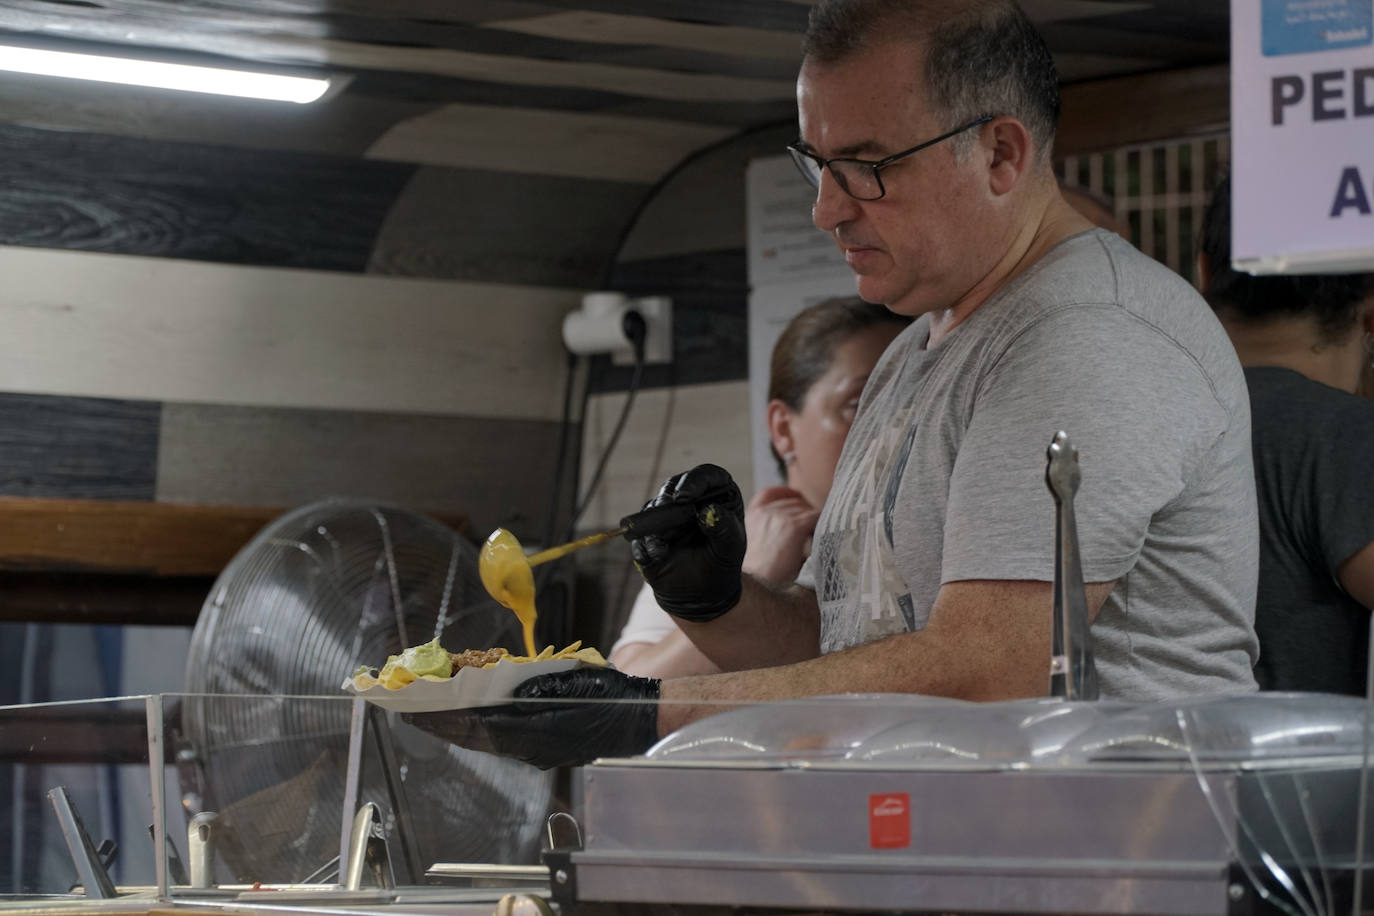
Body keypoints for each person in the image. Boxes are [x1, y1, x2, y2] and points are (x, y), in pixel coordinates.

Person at [408, 0, 1260, 769]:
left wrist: (652, 711)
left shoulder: (1085, 337)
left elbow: (992, 673)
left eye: (866, 165)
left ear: (1000, 154)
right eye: (817, 164)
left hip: (1108, 866)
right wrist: (721, 605)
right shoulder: (921, 344)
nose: (828, 209)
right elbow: (863, 649)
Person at [610, 297, 910, 679]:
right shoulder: (723, 547)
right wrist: (745, 583)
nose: (892, 428)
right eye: (859, 404)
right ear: (783, 429)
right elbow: (622, 693)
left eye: (907, 404)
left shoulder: (927, 541)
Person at [1198, 176, 1374, 695]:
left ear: (1205, 273)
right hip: (1299, 774)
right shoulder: (1345, 438)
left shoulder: (1142, 415)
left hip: (1156, 767)